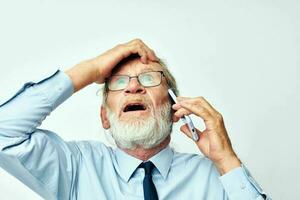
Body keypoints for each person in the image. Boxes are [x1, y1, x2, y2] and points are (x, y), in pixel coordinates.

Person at [0, 39, 271, 200]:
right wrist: (91, 69)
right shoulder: (75, 168)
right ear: (105, 117)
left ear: (175, 109)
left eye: (149, 78)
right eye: (118, 82)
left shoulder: (215, 177)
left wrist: (227, 161)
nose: (133, 88)